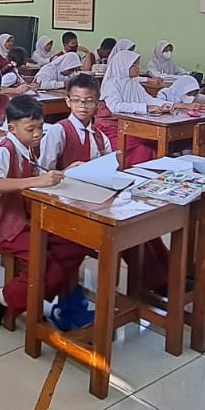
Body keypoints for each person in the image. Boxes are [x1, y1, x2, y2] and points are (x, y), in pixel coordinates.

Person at [40, 73, 169, 290]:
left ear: (98, 104)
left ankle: (169, 276)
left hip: (94, 199)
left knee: (141, 225)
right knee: (125, 232)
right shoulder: (58, 131)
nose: (83, 106)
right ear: (68, 101)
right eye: (77, 101)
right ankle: (158, 281)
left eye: (89, 101)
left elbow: (108, 170)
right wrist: (65, 171)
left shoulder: (100, 136)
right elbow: (44, 174)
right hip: (66, 204)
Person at [0, 95, 90, 328]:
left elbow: (38, 174)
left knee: (77, 243)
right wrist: (35, 181)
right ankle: (3, 297)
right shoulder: (6, 150)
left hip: (27, 218)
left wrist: (65, 171)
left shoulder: (27, 146)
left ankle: (57, 291)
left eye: (40, 127)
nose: (38, 133)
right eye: (31, 128)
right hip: (5, 225)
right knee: (48, 269)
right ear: (12, 128)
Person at [99, 50, 175, 166]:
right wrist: (145, 108)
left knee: (154, 141)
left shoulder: (133, 83)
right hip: (112, 128)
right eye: (134, 65)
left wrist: (166, 104)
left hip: (131, 126)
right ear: (123, 66)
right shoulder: (111, 84)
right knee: (144, 146)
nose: (138, 67)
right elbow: (115, 107)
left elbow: (148, 99)